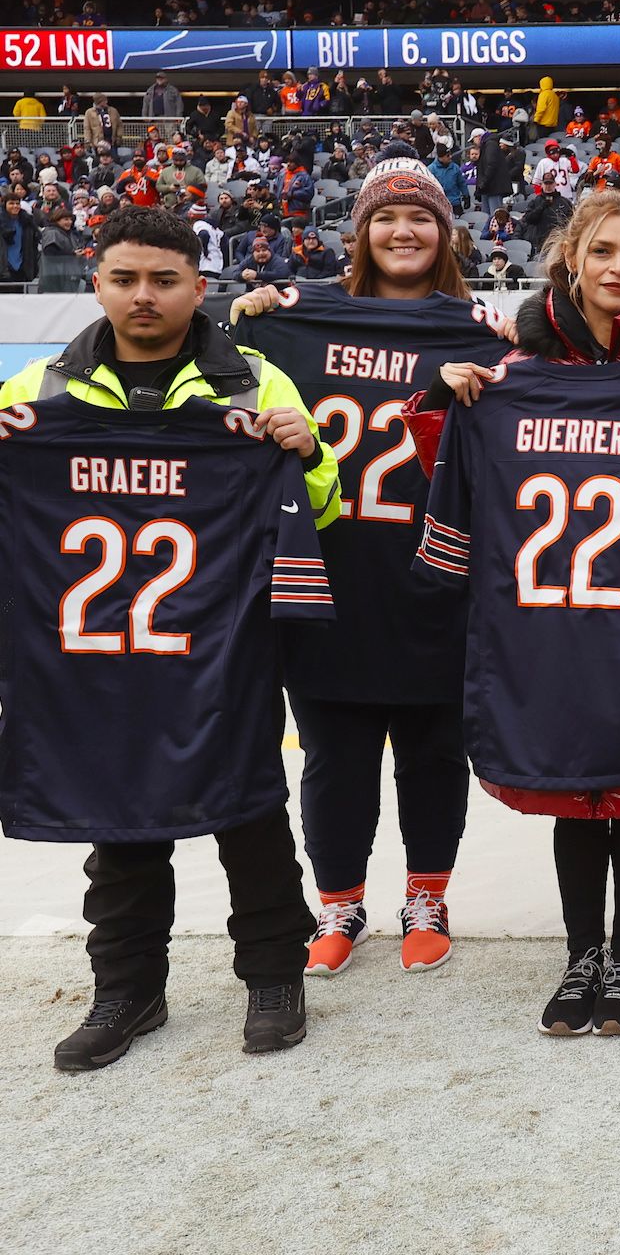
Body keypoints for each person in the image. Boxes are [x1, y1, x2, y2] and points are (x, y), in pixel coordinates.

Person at [0, 207, 340, 1071]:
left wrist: (306, 455)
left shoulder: (256, 382)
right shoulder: (37, 392)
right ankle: (127, 987)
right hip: (95, 656)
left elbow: (321, 508)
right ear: (96, 278)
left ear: (199, 284)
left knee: (251, 810)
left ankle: (273, 975)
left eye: (163, 280)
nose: (143, 296)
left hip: (223, 645)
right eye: (124, 279)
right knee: (117, 820)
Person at [409, 192, 620, 1036]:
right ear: (571, 261)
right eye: (604, 253)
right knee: (572, 797)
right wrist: (440, 393)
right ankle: (580, 954)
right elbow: (450, 475)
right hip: (549, 625)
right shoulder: (505, 378)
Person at [229, 146, 510, 982]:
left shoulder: (483, 333)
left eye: (420, 215)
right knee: (333, 757)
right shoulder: (294, 317)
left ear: (446, 232)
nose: (402, 230)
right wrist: (252, 309)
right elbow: (222, 364)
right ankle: (340, 901)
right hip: (329, 572)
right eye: (385, 216)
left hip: (437, 577)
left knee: (433, 752)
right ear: (361, 232)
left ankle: (428, 894)